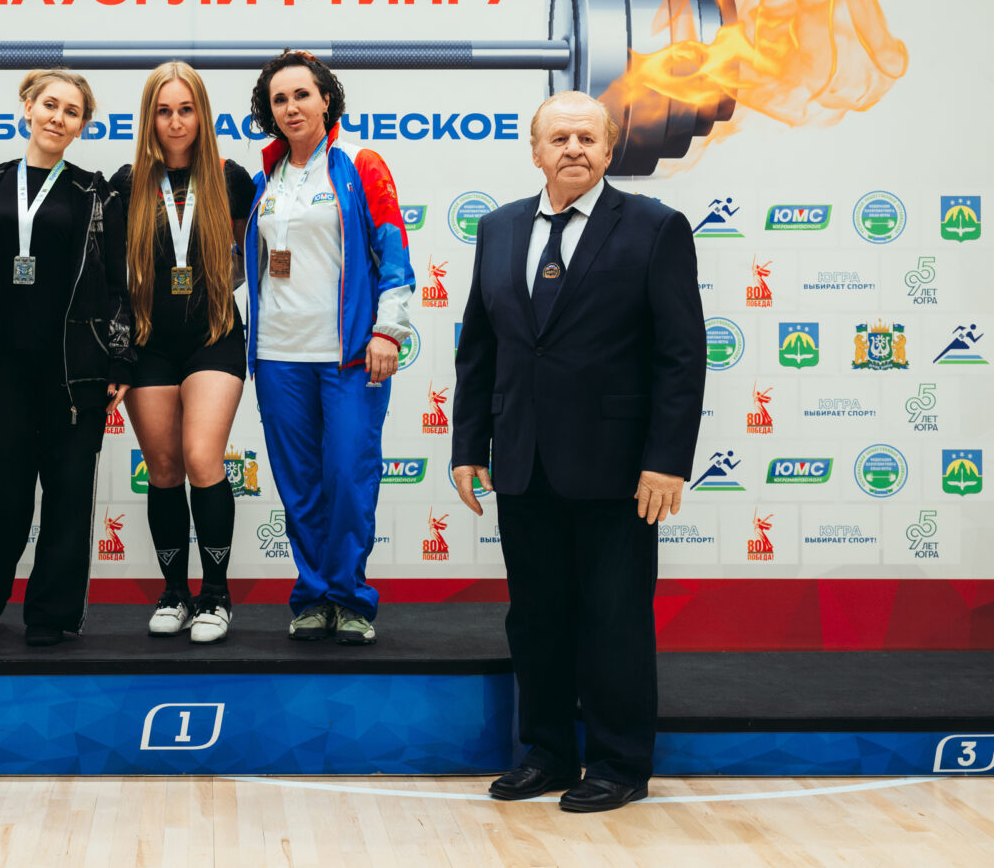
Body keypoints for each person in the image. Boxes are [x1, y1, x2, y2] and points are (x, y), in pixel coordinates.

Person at [451, 90, 706, 812]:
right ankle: (548, 753)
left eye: (587, 138)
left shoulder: (655, 227)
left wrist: (667, 460)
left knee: (613, 618)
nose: (573, 149)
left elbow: (681, 355)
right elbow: (481, 347)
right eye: (559, 138)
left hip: (620, 469)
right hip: (522, 460)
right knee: (535, 617)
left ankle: (620, 763)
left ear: (609, 149)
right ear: (536, 151)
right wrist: (468, 445)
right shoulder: (498, 228)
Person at [0, 68, 132, 647]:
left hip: (74, 369)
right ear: (27, 107)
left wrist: (119, 360)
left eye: (72, 112)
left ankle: (50, 613)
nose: (58, 118)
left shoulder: (95, 193)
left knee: (69, 493)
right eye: (50, 105)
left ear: (82, 126)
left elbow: (118, 285)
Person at [243, 50, 415, 645]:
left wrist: (388, 330)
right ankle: (313, 596)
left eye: (302, 95)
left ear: (326, 99)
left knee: (347, 475)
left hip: (348, 354)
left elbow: (394, 251)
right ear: (269, 111)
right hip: (276, 354)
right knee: (299, 485)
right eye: (279, 99)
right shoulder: (265, 178)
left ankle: (350, 597)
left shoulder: (360, 165)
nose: (291, 107)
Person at [109, 63, 255, 643]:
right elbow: (112, 274)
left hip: (213, 335)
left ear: (202, 115)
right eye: (164, 111)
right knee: (165, 470)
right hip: (148, 341)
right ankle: (174, 592)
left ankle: (216, 595)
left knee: (201, 458)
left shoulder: (230, 177)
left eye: (186, 110)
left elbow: (251, 257)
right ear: (150, 117)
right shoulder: (127, 183)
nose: (175, 122)